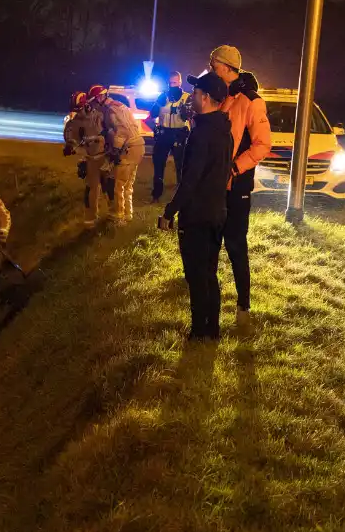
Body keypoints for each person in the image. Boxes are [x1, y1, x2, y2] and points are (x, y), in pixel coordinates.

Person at [158, 72, 235, 340]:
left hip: (198, 215)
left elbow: (189, 180)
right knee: (209, 273)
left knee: (195, 274)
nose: (192, 97)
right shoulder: (225, 130)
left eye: (196, 93)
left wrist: (169, 212)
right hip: (217, 211)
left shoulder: (201, 134)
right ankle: (211, 329)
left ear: (205, 97)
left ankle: (199, 331)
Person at [209, 45, 272, 327]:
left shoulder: (251, 101)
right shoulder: (217, 96)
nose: (211, 69)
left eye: (213, 65)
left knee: (235, 245)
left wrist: (235, 168)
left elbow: (262, 145)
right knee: (209, 245)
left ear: (226, 67)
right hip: (212, 184)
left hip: (237, 185)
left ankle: (243, 307)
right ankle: (210, 306)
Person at [88, 84, 145, 225]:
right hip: (138, 146)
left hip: (128, 149)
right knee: (127, 184)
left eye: (94, 101)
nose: (94, 106)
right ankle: (127, 214)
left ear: (100, 98)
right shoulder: (119, 105)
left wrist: (114, 151)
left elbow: (120, 132)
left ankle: (118, 218)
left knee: (117, 184)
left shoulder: (110, 110)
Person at [63, 91, 110, 228]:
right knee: (91, 188)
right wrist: (70, 145)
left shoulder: (99, 114)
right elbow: (70, 135)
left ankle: (114, 217)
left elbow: (110, 130)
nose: (77, 113)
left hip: (106, 155)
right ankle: (90, 219)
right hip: (91, 158)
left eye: (79, 109)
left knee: (110, 187)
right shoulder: (75, 122)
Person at [148, 71, 193, 203]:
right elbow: (151, 115)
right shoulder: (162, 96)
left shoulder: (187, 97)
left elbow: (190, 117)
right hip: (164, 134)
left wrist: (186, 110)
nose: (172, 85)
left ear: (180, 82)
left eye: (174, 82)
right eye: (170, 83)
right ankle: (156, 195)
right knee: (158, 164)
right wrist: (158, 105)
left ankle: (182, 195)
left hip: (179, 133)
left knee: (181, 165)